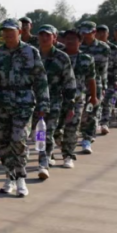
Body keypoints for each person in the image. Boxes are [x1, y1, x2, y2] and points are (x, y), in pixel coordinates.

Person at [0, 19, 50, 197]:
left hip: (23, 102)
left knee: (18, 139)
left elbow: (40, 79)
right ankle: (10, 176)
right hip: (1, 104)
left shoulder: (31, 52)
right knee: (3, 142)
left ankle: (21, 177)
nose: (7, 34)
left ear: (20, 32)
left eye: (11, 31)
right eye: (5, 31)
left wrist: (43, 103)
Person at [35, 25, 76, 180]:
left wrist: (70, 105)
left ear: (55, 37)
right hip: (31, 101)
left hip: (53, 101)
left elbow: (69, 82)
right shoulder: (31, 55)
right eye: (41, 35)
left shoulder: (62, 57)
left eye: (48, 35)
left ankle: (43, 163)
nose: (44, 38)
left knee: (46, 132)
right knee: (33, 135)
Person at [59, 28, 96, 168]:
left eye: (73, 39)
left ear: (80, 41)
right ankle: (49, 153)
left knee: (72, 128)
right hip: (57, 98)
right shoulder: (57, 56)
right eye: (67, 38)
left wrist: (93, 96)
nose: (69, 41)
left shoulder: (86, 59)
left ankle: (68, 155)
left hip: (77, 99)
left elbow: (91, 79)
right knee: (53, 129)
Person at [78, 21, 110, 154]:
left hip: (95, 84)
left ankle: (87, 139)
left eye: (88, 32)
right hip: (79, 85)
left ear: (94, 32)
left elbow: (103, 69)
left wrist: (103, 86)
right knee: (81, 114)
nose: (85, 35)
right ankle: (84, 132)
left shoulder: (103, 48)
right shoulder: (78, 45)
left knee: (91, 112)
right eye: (83, 32)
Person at [96, 25, 117, 134]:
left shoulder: (113, 48)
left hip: (109, 78)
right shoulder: (92, 47)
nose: (101, 34)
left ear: (108, 34)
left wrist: (116, 79)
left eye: (103, 32)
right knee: (96, 103)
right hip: (95, 79)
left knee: (107, 101)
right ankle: (96, 122)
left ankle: (105, 123)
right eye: (99, 32)